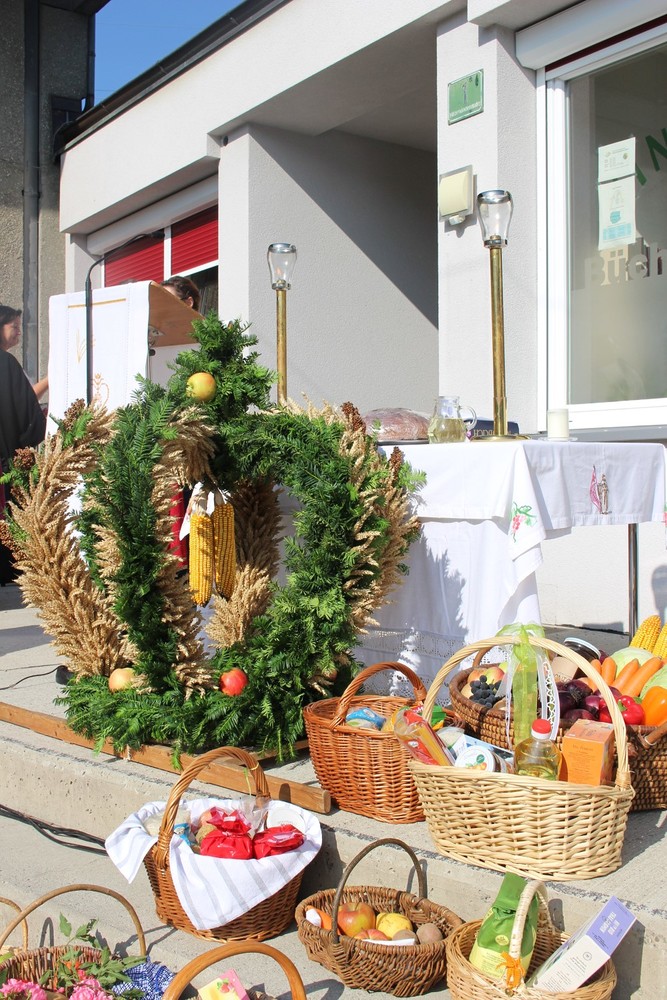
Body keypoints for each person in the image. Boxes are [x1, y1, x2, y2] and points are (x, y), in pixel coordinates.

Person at [0, 347, 47, 584]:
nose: (18, 331)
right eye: (12, 328)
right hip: (7, 462)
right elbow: (28, 419)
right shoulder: (6, 363)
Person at [0, 304, 49, 400]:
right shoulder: (5, 362)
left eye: (19, 327)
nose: (19, 332)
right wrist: (50, 378)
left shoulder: (7, 360)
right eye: (15, 327)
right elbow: (26, 398)